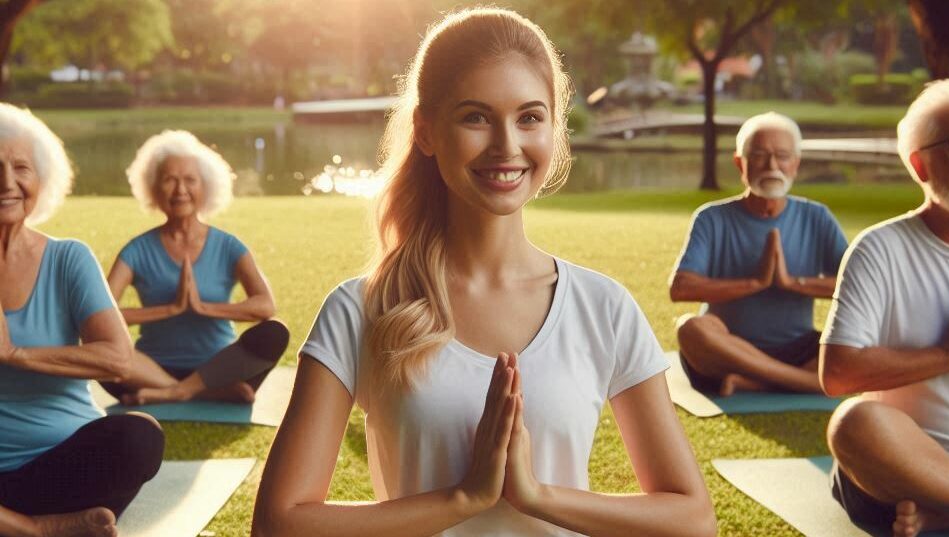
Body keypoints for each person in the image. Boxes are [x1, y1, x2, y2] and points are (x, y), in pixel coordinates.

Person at [252, 8, 715, 537]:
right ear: (425, 132)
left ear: (553, 128)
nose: (506, 146)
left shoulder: (602, 307)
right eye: (475, 117)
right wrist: (464, 498)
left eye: (529, 117)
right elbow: (277, 523)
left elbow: (692, 519)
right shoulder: (360, 309)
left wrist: (538, 497)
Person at [822, 78, 949, 537]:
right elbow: (837, 375)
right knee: (853, 424)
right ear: (919, 165)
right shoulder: (879, 248)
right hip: (907, 471)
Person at [0, 103, 164, 537]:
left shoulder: (68, 258)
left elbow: (117, 359)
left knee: (140, 436)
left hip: (64, 463)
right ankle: (37, 530)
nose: (6, 182)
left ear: (41, 179)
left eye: (20, 167)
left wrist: (15, 354)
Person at [101, 130, 289, 405]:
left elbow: (265, 306)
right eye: (169, 180)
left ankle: (179, 392)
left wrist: (204, 308)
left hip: (220, 368)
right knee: (98, 349)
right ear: (154, 187)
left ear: (206, 187)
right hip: (151, 369)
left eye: (190, 180)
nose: (180, 190)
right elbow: (100, 315)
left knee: (275, 332)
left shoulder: (229, 246)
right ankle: (192, 391)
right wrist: (170, 309)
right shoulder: (136, 250)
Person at [671, 112, 848, 396]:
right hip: (727, 347)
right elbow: (680, 288)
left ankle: (755, 381)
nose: (771, 166)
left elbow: (855, 285)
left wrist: (792, 283)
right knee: (690, 329)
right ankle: (803, 383)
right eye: (759, 156)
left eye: (782, 156)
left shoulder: (817, 217)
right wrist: (754, 283)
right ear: (740, 163)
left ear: (796, 164)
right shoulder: (711, 218)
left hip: (797, 347)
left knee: (857, 343)